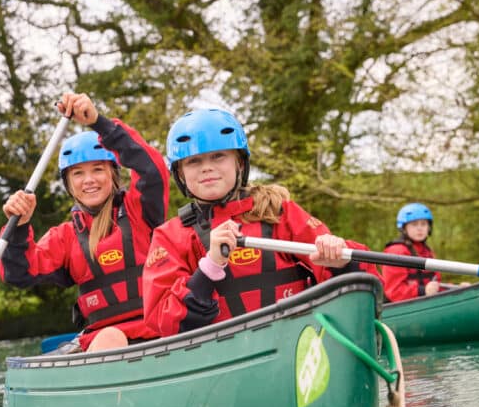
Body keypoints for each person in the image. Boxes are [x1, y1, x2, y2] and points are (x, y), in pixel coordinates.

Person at [142, 108, 379, 336]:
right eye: (194, 161)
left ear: (240, 163)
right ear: (180, 173)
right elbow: (163, 320)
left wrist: (340, 262)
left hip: (296, 340)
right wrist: (211, 265)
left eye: (218, 156)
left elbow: (362, 284)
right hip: (220, 355)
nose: (207, 168)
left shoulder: (278, 212)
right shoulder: (170, 235)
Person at [0, 92, 170, 352]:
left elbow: (152, 168)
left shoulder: (140, 210)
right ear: (68, 184)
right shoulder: (65, 237)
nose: (89, 180)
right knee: (111, 338)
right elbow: (19, 273)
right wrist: (19, 227)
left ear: (113, 175)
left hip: (162, 328)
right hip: (104, 341)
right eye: (78, 173)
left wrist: (100, 123)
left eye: (98, 169)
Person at [381, 203, 443, 302]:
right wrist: (423, 291)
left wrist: (458, 289)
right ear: (404, 228)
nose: (420, 228)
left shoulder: (427, 251)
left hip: (424, 303)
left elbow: (436, 285)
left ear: (429, 227)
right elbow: (394, 292)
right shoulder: (396, 251)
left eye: (423, 224)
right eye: (414, 224)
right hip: (401, 309)